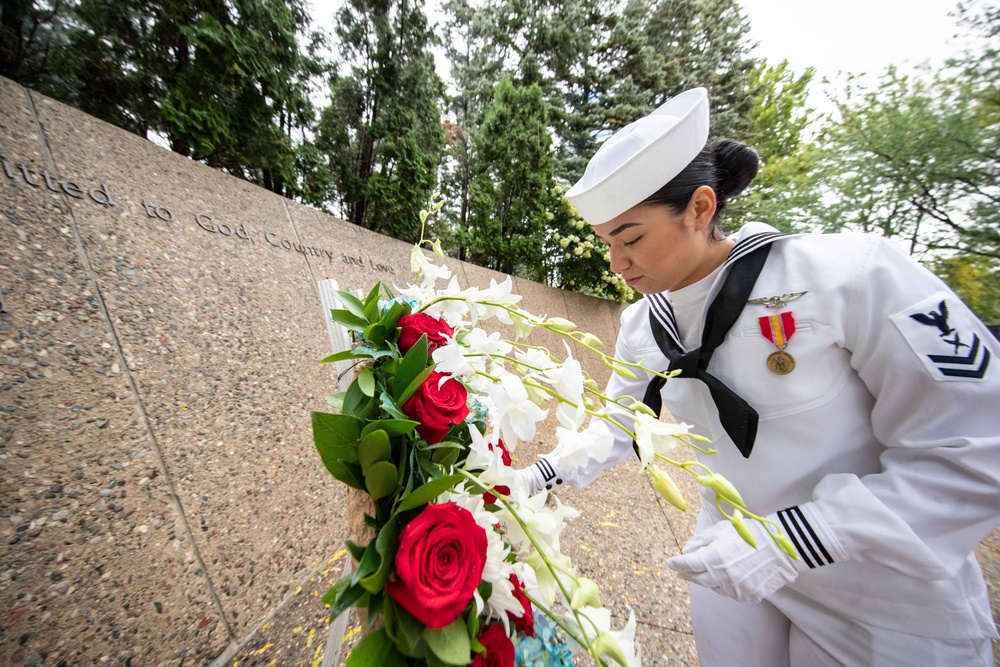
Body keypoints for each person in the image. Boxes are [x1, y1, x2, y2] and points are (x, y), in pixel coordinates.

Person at [520, 87, 1000, 666]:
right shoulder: (645, 325)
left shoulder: (848, 275)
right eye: (608, 245)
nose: (617, 264)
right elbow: (623, 427)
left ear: (700, 208)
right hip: (737, 565)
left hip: (884, 593)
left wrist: (798, 539)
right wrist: (537, 476)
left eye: (632, 239)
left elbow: (975, 446)